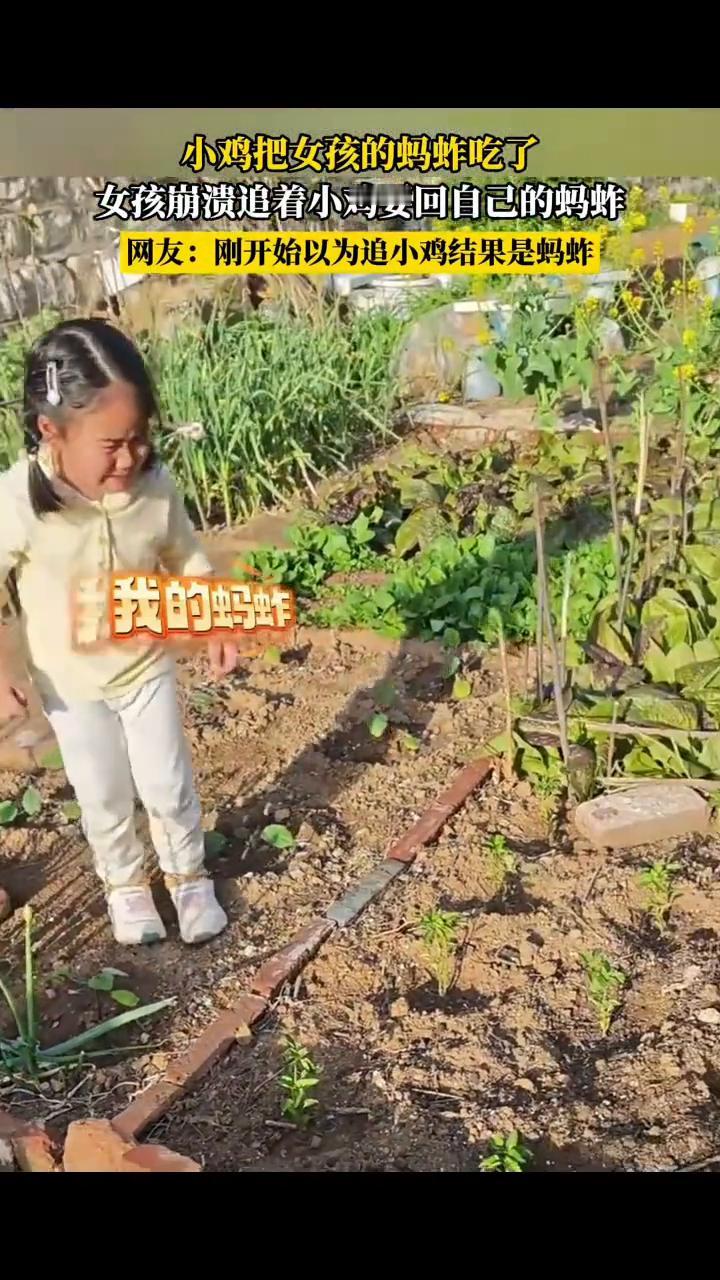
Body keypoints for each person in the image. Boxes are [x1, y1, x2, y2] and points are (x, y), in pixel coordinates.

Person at [0, 318, 235, 947]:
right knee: (102, 793)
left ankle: (188, 878)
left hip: (145, 665)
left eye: (138, 438)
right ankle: (126, 887)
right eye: (111, 444)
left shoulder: (152, 488)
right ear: (51, 430)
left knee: (167, 781)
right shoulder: (19, 500)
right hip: (69, 685)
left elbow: (185, 556)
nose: (129, 458)